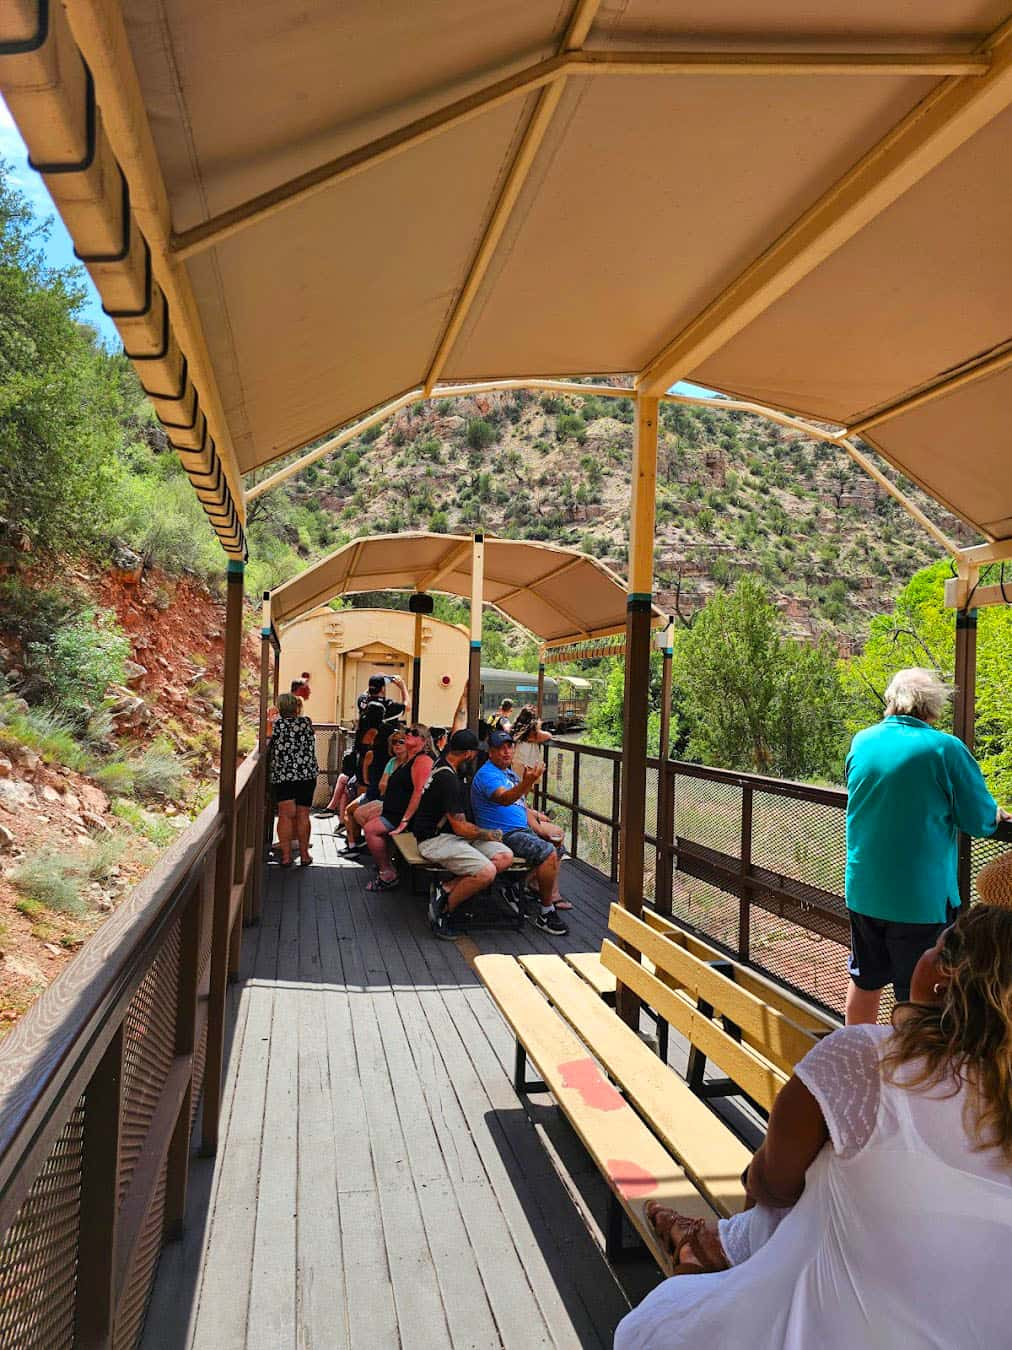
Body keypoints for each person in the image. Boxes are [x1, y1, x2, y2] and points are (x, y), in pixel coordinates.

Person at [616, 895, 1012, 1349]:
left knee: (808, 1176)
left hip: (824, 1321)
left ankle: (709, 1244)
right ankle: (710, 1241)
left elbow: (773, 1184)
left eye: (938, 944)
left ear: (948, 975)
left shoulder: (867, 1058)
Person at [844, 667, 1010, 1024]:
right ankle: (910, 1072)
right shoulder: (945, 749)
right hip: (919, 900)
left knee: (865, 979)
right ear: (933, 708)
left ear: (891, 701)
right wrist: (995, 814)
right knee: (916, 994)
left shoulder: (863, 741)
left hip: (864, 889)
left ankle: (856, 1062)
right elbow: (979, 820)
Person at [412, 729, 515, 941]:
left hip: (453, 836)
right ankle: (444, 911)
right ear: (468, 754)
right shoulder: (448, 780)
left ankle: (446, 888)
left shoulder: (445, 762)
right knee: (486, 872)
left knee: (505, 857)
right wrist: (490, 834)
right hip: (434, 839)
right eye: (476, 754)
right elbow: (460, 827)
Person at [471, 731, 569, 934]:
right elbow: (504, 799)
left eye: (509, 747)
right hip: (503, 833)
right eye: (500, 748)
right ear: (491, 752)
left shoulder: (509, 774)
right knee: (548, 851)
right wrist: (528, 782)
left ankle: (515, 883)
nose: (506, 751)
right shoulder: (487, 774)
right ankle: (546, 911)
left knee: (558, 847)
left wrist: (537, 820)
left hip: (520, 828)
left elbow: (519, 804)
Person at [363, 725, 436, 891]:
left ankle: (387, 873)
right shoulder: (408, 760)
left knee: (371, 829)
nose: (409, 734)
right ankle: (388, 864)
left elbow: (419, 792)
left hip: (405, 817)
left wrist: (404, 821)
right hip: (393, 812)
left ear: (424, 741)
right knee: (367, 819)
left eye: (414, 733)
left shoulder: (422, 760)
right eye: (408, 732)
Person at [267, 692, 319, 867]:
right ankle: (304, 855)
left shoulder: (276, 724)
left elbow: (265, 736)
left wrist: (270, 716)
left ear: (280, 707)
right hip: (306, 775)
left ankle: (287, 857)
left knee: (285, 815)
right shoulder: (306, 722)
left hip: (284, 775)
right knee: (303, 814)